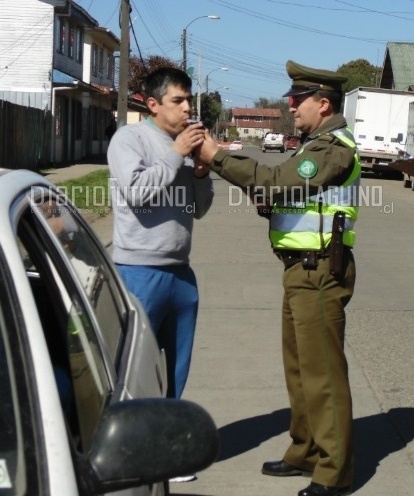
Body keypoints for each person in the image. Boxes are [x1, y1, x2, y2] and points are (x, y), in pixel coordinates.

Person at [197, 60, 359, 496]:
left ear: (323, 104)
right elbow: (283, 192)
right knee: (299, 369)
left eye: (299, 99)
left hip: (321, 269)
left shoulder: (333, 147)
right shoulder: (313, 143)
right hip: (301, 268)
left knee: (322, 373)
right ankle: (305, 449)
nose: (292, 105)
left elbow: (273, 178)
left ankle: (334, 470)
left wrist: (217, 157)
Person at [107, 67, 214, 404]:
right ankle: (130, 443)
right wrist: (176, 153)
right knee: (133, 370)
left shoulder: (183, 145)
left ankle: (169, 438)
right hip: (138, 274)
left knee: (177, 372)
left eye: (187, 101)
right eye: (177, 101)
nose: (187, 109)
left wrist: (200, 173)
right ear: (153, 104)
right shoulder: (129, 140)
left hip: (181, 275)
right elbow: (137, 192)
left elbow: (200, 208)